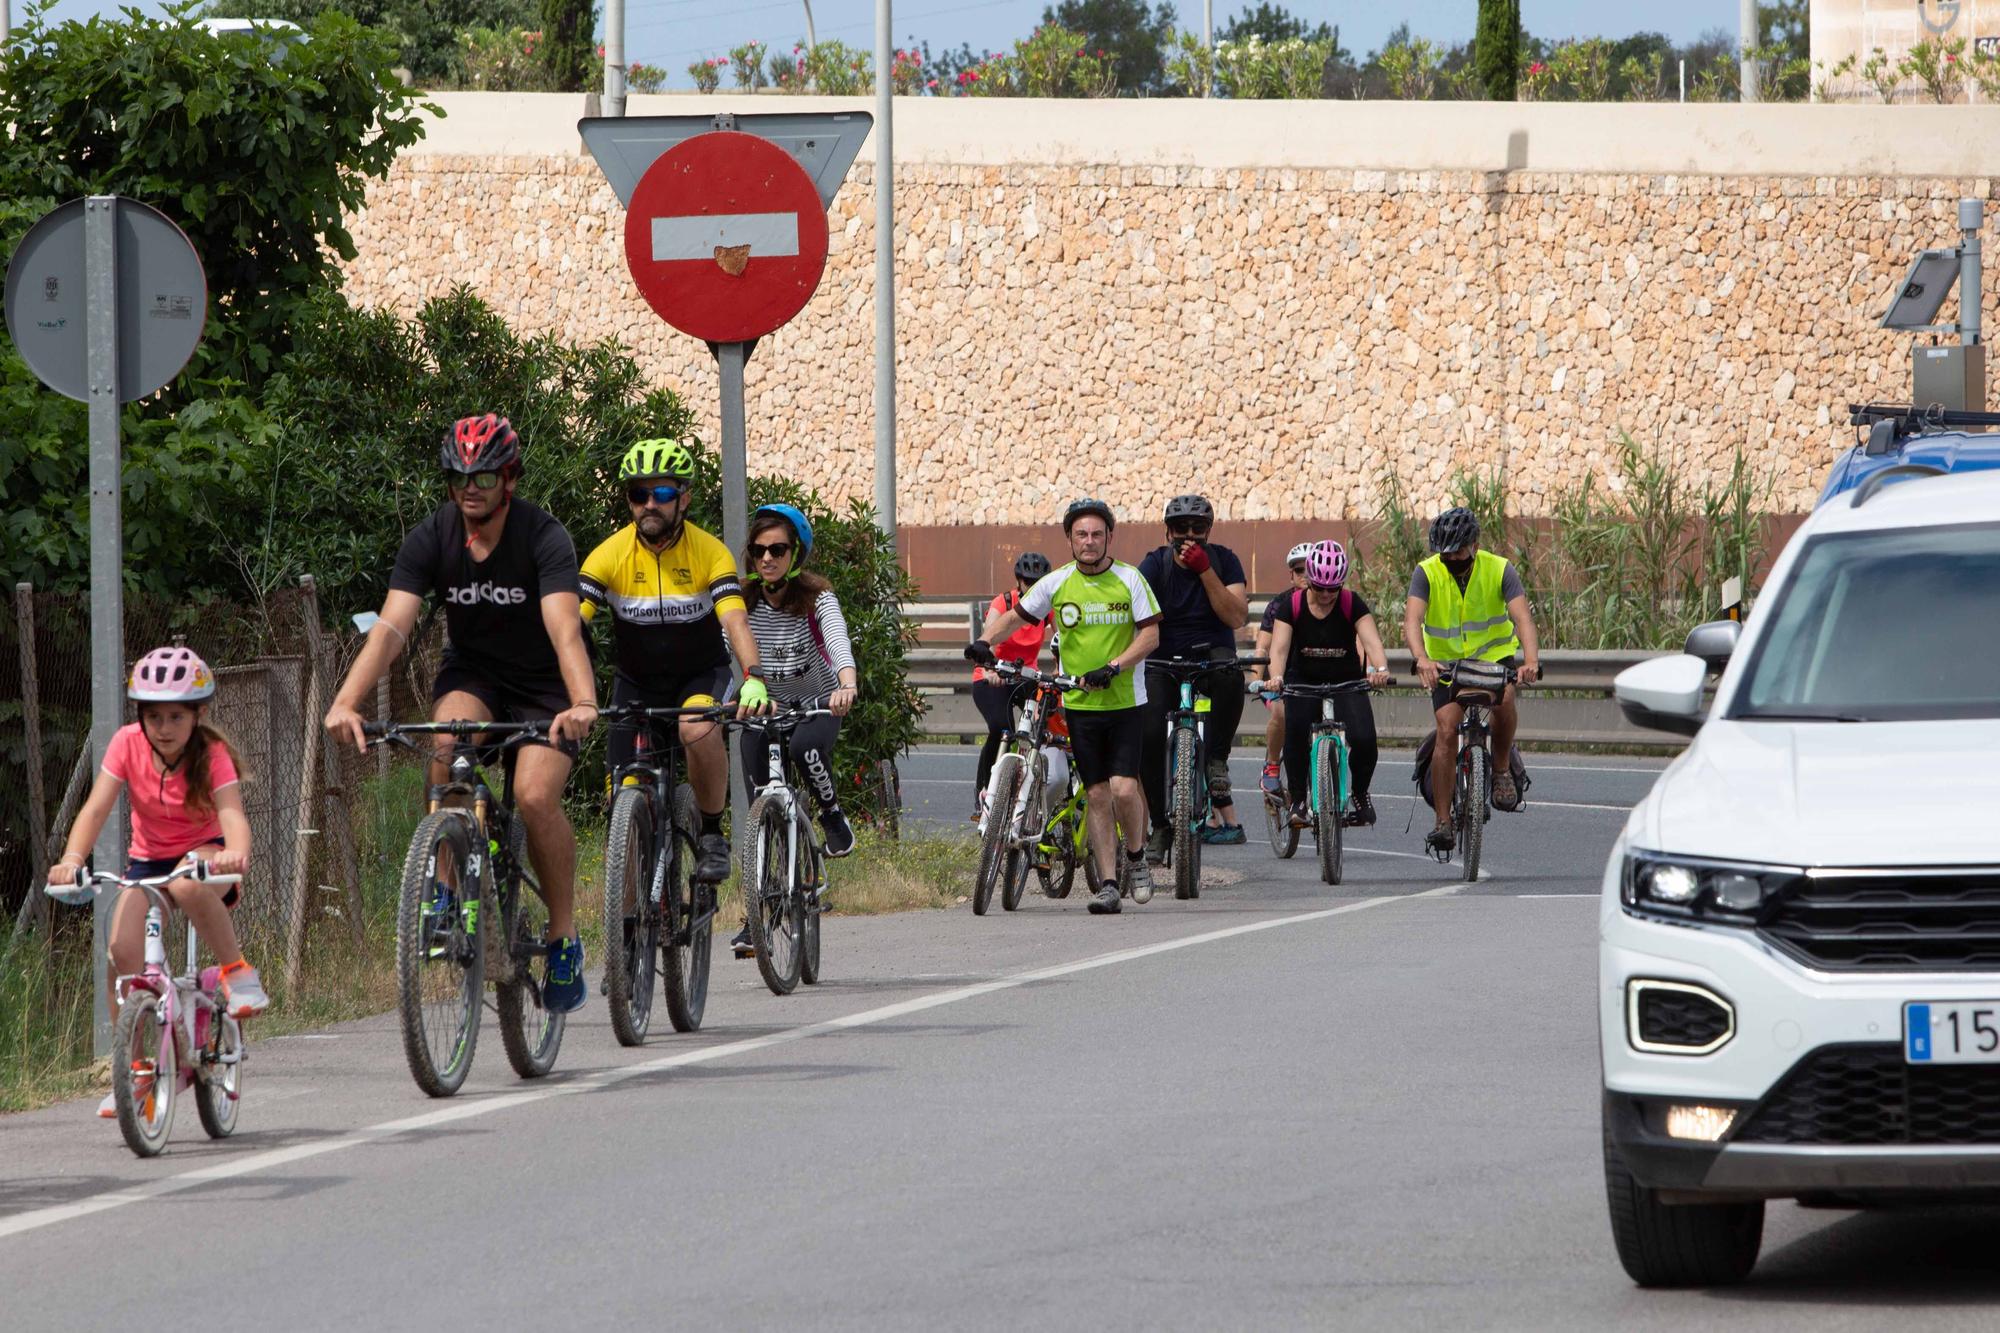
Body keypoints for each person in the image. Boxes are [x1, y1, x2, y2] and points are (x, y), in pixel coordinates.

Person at [326, 414, 599, 1014]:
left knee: (532, 796)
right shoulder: (432, 537)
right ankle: (445, 894)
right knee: (446, 749)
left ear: (508, 477)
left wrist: (582, 702)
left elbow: (564, 629)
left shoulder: (543, 536)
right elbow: (393, 626)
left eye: (481, 475)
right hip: (474, 676)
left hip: (545, 686)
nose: (468, 486)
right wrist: (345, 701)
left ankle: (562, 936)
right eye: (457, 475)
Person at [51, 646, 267, 1119]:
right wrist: (71, 859)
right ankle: (134, 1073)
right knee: (119, 953)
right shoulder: (126, 743)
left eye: (175, 717)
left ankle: (237, 973)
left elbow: (232, 815)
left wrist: (235, 853)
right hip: (147, 863)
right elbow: (95, 809)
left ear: (198, 714)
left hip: (205, 855)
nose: (163, 728)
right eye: (154, 717)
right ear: (140, 717)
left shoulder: (211, 754)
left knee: (188, 884)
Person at [576, 438, 768, 895]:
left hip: (699, 676)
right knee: (620, 802)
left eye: (661, 494)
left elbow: (735, 619)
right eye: (638, 495)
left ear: (684, 498)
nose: (649, 505)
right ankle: (625, 943)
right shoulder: (609, 555)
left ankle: (710, 832)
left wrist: (754, 677)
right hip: (636, 683)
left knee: (694, 728)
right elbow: (569, 625)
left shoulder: (709, 553)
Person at [967, 499, 1160, 915]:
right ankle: (1108, 885)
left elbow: (1150, 637)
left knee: (1125, 788)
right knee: (1096, 794)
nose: (1089, 542)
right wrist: (985, 640)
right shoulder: (1057, 583)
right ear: (1070, 540)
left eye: (1096, 534)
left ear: (1109, 536)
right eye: (1081, 535)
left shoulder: (1130, 580)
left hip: (1125, 702)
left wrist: (1114, 666)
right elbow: (1015, 617)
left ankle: (1138, 857)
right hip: (1079, 703)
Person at [1402, 506, 1542, 853]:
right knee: (1447, 729)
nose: (1451, 560)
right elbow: (1412, 620)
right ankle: (1443, 821)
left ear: (1474, 545)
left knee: (1505, 700)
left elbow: (1522, 617)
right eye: (1444, 554)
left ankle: (1501, 770)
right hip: (1446, 665)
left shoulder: (1499, 569)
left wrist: (1531, 661)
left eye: (1458, 553)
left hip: (1493, 659)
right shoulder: (1426, 572)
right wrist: (1421, 659)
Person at [737, 503, 858, 851]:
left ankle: (832, 815)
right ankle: (769, 878)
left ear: (796, 553)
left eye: (777, 550)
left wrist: (847, 685)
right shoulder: (742, 603)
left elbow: (837, 640)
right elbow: (718, 649)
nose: (767, 559)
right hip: (765, 710)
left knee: (805, 748)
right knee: (760, 799)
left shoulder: (817, 598)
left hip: (816, 705)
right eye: (758, 551)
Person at [1136, 494, 1250, 859]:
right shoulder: (1154, 565)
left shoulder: (1225, 560)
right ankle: (1160, 825)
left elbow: (1235, 617)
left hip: (1211, 655)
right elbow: (1134, 616)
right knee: (1148, 733)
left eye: (1198, 529)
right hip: (1163, 659)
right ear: (1168, 531)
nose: (1189, 535)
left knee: (1232, 675)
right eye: (1181, 528)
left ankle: (1217, 760)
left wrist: (1205, 571)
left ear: (1208, 530)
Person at [1265, 542, 1393, 828]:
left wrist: (1380, 668)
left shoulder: (1351, 602)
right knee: (1295, 730)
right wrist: (1276, 676)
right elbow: (1279, 650)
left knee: (1364, 739)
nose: (1325, 595)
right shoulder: (1292, 606)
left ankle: (1359, 795)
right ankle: (1298, 799)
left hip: (1345, 680)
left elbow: (1372, 640)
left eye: (1332, 588)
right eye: (1319, 587)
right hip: (1304, 680)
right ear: (1309, 580)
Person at [971, 551, 1053, 821]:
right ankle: (985, 790)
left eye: (1038, 582)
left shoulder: (1047, 607)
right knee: (1000, 727)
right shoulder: (1004, 602)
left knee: (1045, 726)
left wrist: (1060, 670)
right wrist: (989, 667)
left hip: (1026, 677)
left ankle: (1031, 791)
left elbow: (1062, 640)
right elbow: (990, 636)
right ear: (1019, 581)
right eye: (1028, 581)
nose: (1033, 587)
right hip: (994, 674)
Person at [1257, 542, 1316, 796]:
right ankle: (1271, 767)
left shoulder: (1330, 599)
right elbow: (1263, 648)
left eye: (1309, 568)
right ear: (1291, 575)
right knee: (1281, 712)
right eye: (1299, 570)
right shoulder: (1279, 605)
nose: (1305, 574)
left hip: (1314, 678)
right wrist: (1258, 680)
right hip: (1280, 680)